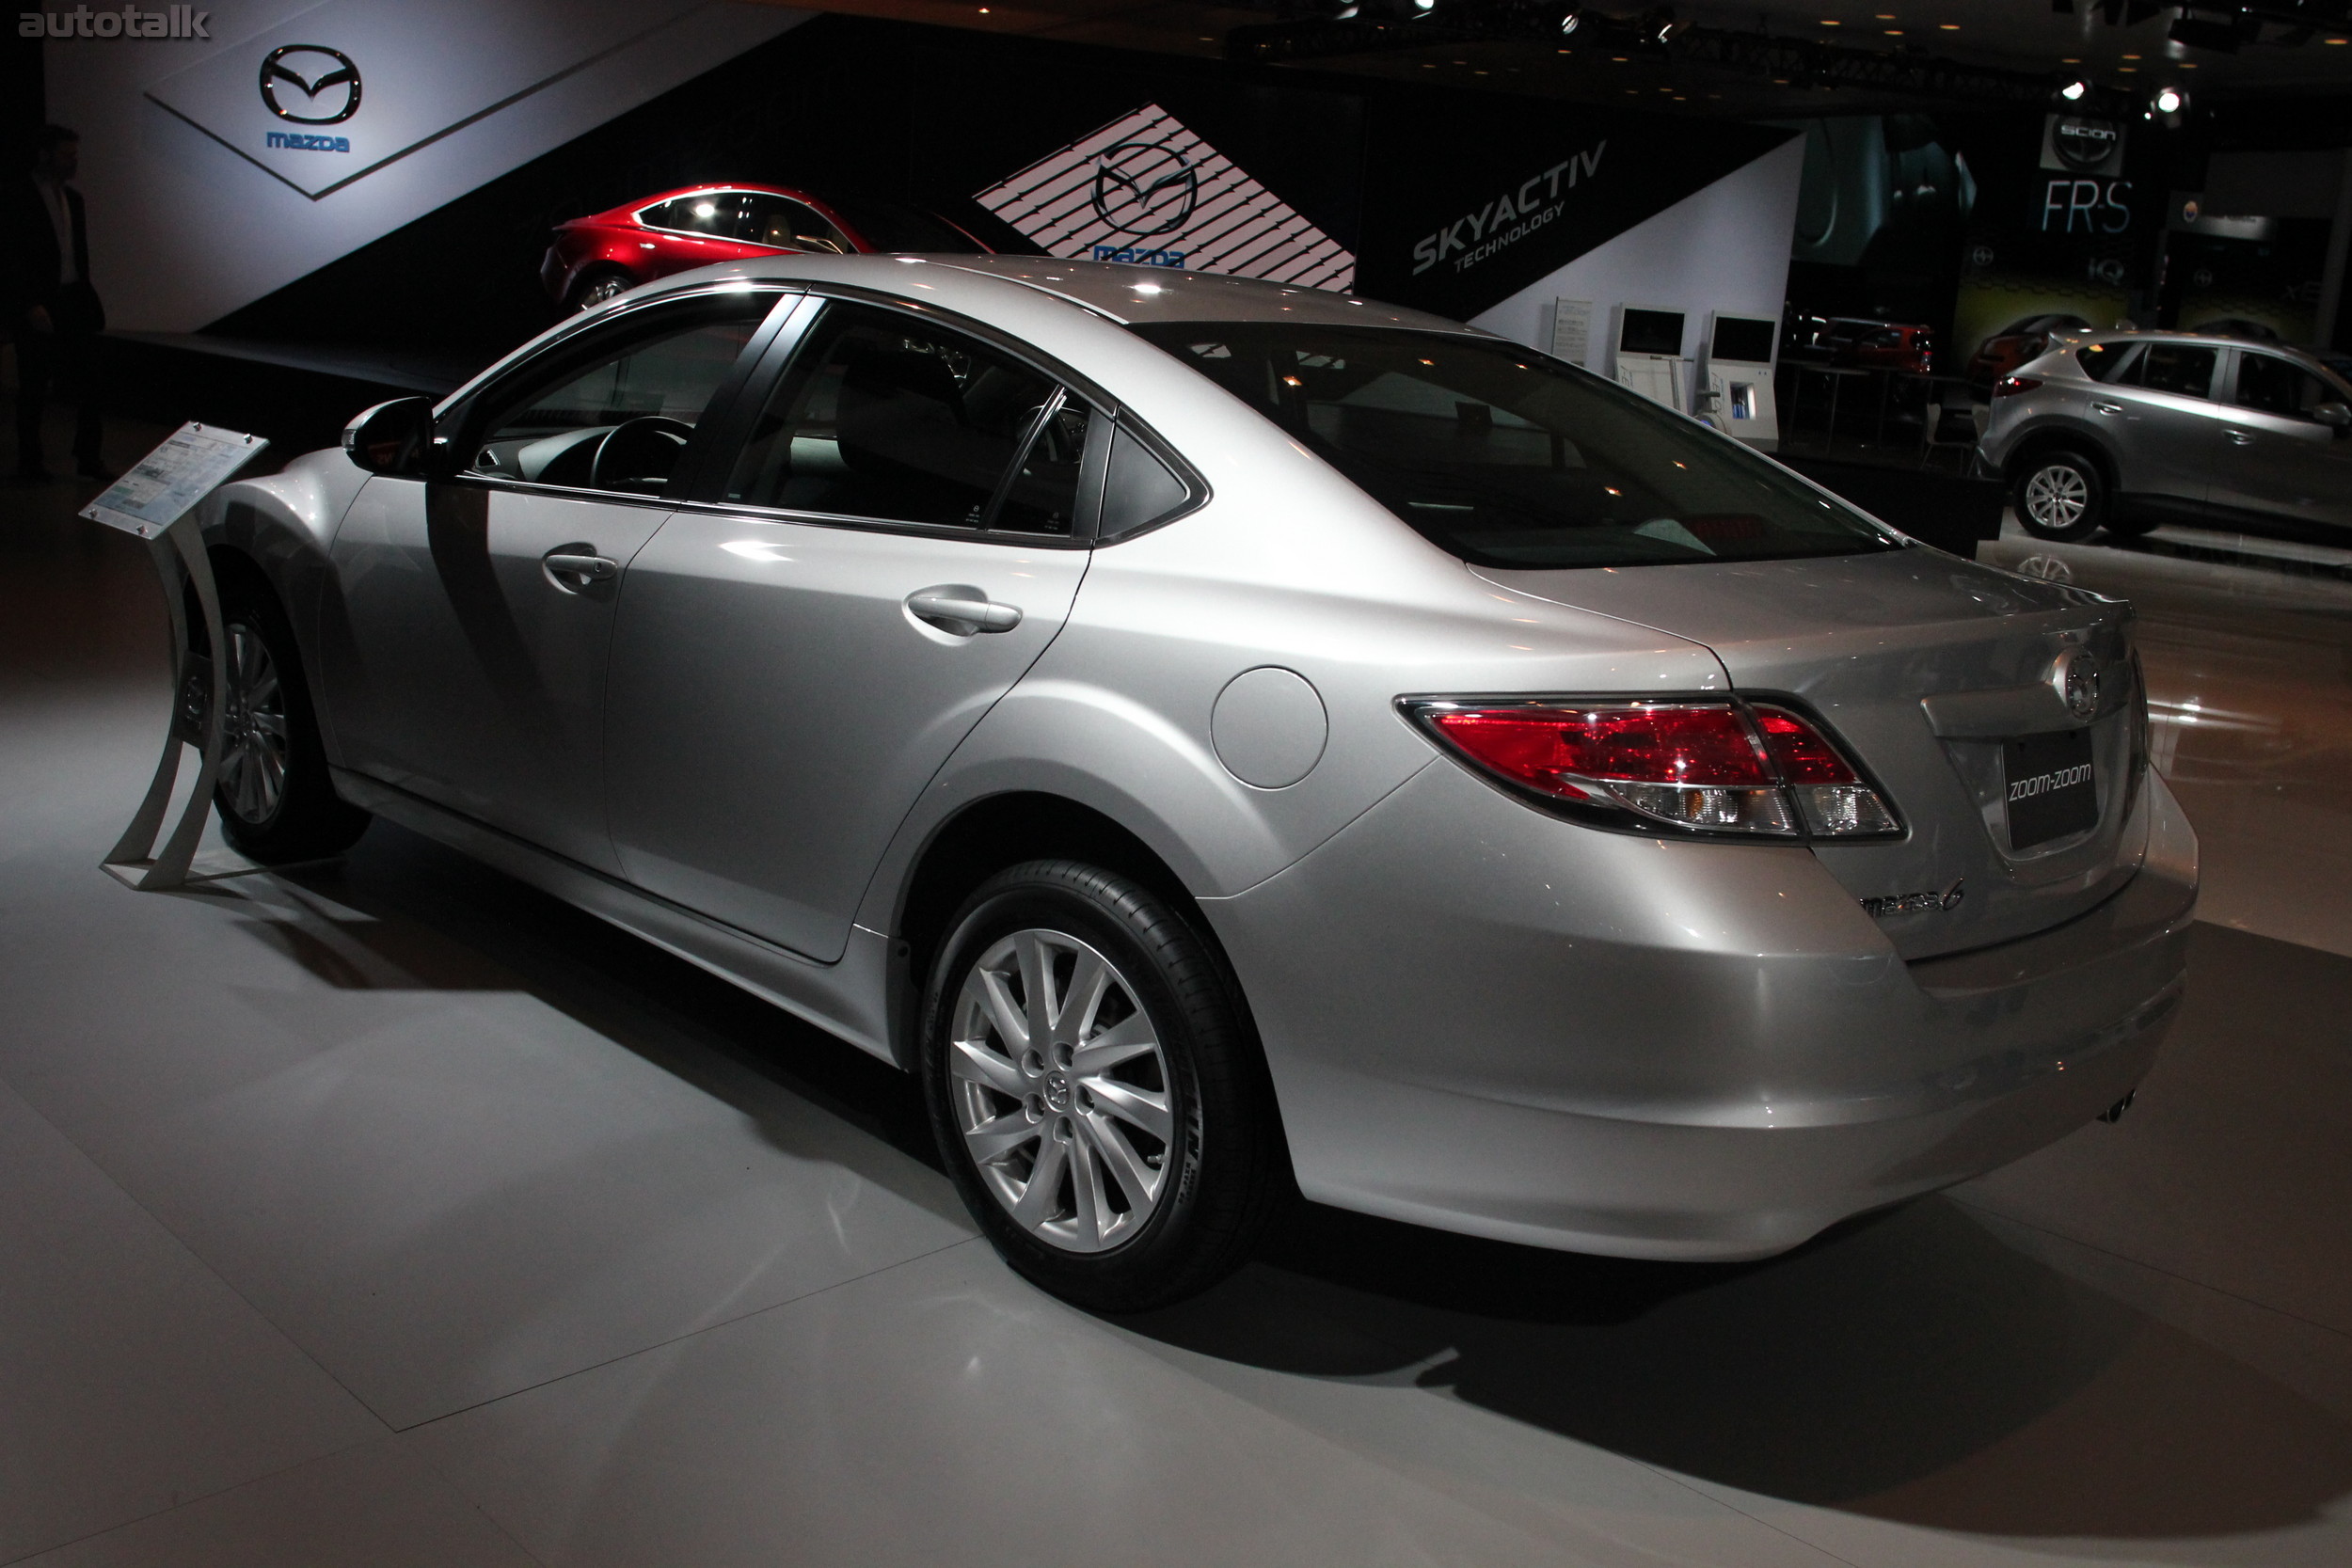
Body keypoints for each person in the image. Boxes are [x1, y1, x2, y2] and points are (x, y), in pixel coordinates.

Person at [6, 125, 108, 482]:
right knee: (34, 385)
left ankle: (89, 458)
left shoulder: (73, 199)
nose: (73, 161)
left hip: (72, 300)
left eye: (74, 155)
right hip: (38, 303)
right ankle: (30, 463)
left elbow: (75, 256)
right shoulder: (17, 197)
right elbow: (10, 257)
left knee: (91, 382)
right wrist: (27, 303)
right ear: (45, 154)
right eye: (67, 154)